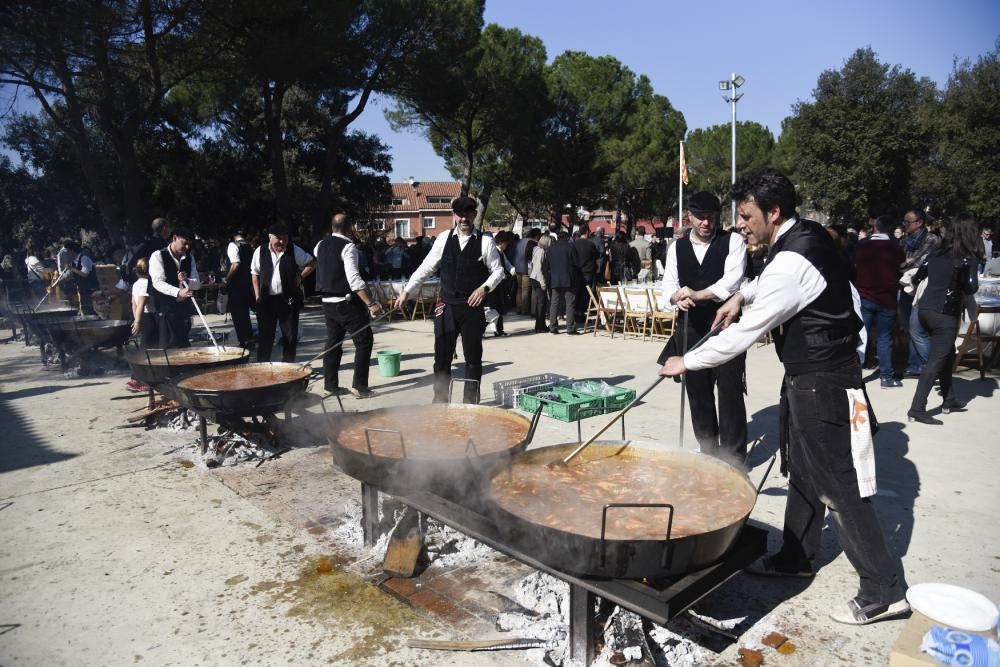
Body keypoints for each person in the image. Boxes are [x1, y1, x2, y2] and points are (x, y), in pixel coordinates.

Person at [659, 168, 907, 626]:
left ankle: (882, 589)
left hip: (824, 380)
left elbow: (745, 335)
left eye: (747, 215)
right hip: (806, 376)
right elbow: (769, 284)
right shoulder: (802, 235)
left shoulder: (794, 259)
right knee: (804, 473)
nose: (741, 224)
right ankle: (796, 555)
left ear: (773, 212)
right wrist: (741, 296)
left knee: (840, 485)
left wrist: (686, 360)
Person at [659, 191, 748, 460]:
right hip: (691, 326)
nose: (706, 223)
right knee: (697, 389)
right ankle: (708, 447)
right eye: (700, 218)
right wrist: (676, 297)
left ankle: (734, 454)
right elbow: (669, 284)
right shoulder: (677, 247)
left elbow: (731, 281)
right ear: (689, 217)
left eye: (711, 218)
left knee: (730, 390)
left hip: (727, 326)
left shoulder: (732, 241)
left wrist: (698, 295)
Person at [394, 196, 505, 404]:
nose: (464, 219)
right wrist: (406, 291)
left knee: (473, 358)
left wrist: (484, 288)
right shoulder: (444, 239)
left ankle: (471, 403)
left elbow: (498, 271)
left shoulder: (485, 241)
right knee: (442, 357)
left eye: (468, 214)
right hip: (446, 306)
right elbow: (426, 268)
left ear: (474, 215)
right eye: (460, 214)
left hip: (472, 308)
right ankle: (440, 401)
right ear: (454, 215)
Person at [906, 218, 981, 424]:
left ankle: (949, 399)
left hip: (926, 309)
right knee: (936, 361)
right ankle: (917, 408)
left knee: (945, 355)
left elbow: (917, 276)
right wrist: (965, 272)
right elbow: (971, 288)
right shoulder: (966, 258)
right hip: (945, 313)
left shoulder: (936, 253)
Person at [314, 213, 382, 398]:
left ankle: (331, 385)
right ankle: (360, 387)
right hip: (346, 303)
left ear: (332, 227)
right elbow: (354, 279)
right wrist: (371, 303)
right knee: (364, 341)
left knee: (333, 344)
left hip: (327, 303)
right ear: (349, 227)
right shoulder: (348, 246)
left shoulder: (320, 245)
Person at [854, 216, 907, 388]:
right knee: (885, 339)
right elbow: (901, 266)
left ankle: (854, 376)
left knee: (862, 337)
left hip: (866, 296)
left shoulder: (862, 246)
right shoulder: (895, 248)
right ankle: (886, 377)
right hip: (887, 298)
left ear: (875, 228)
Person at [251, 223, 315, 363]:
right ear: (270, 237)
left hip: (288, 300)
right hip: (266, 300)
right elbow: (255, 274)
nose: (281, 241)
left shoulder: (293, 250)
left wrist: (299, 277)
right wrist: (257, 296)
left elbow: (311, 262)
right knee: (265, 336)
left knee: (290, 336)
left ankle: (288, 368)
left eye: (284, 238)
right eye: (278, 238)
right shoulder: (260, 251)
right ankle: (262, 367)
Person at [899, 209, 939, 378]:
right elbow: (901, 261)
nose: (905, 225)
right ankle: (915, 366)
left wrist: (902, 263)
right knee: (909, 329)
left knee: (918, 330)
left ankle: (932, 367)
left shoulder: (931, 239)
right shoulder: (904, 239)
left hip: (921, 289)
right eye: (904, 221)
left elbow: (918, 262)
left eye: (909, 222)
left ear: (920, 222)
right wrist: (903, 263)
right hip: (905, 286)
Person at [149, 228, 201, 348]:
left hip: (183, 311)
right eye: (185, 243)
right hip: (165, 310)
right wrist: (178, 292)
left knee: (183, 344)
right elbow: (157, 282)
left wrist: (187, 281)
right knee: (169, 346)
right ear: (174, 238)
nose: (187, 247)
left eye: (189, 244)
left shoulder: (189, 258)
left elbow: (197, 283)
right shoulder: (158, 256)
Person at [543, 230, 582, 335]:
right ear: (567, 238)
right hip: (569, 279)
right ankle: (570, 327)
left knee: (554, 303)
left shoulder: (550, 249)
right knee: (570, 303)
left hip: (554, 279)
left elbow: (547, 266)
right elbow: (577, 263)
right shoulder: (570, 247)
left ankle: (553, 327)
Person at [222, 230, 255, 347]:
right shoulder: (250, 246)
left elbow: (235, 264)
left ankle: (244, 341)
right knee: (245, 314)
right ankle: (249, 339)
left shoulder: (233, 245)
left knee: (238, 314)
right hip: (249, 284)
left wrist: (227, 279)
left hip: (237, 285)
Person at [488, 231, 517, 337]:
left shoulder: (501, 252)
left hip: (500, 284)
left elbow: (507, 263)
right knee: (494, 308)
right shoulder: (494, 252)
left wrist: (512, 269)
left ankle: (499, 330)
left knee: (499, 307)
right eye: (506, 243)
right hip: (494, 284)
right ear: (501, 243)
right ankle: (487, 329)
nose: (507, 246)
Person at [60, 240, 98, 315]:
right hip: (82, 290)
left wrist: (72, 269)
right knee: (85, 309)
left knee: (91, 310)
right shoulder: (74, 262)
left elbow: (85, 274)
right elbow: (67, 275)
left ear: (71, 251)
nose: (66, 254)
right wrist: (57, 282)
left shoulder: (84, 259)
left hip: (90, 289)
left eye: (67, 252)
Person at [515, 229, 541, 315]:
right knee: (525, 289)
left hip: (517, 267)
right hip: (527, 268)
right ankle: (525, 309)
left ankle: (518, 307)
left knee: (519, 288)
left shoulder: (519, 241)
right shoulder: (533, 242)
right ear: (537, 235)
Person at [529, 235, 551, 333]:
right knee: (542, 303)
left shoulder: (536, 250)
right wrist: (543, 283)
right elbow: (539, 269)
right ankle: (540, 326)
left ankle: (539, 325)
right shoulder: (541, 252)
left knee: (540, 303)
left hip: (534, 278)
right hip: (538, 279)